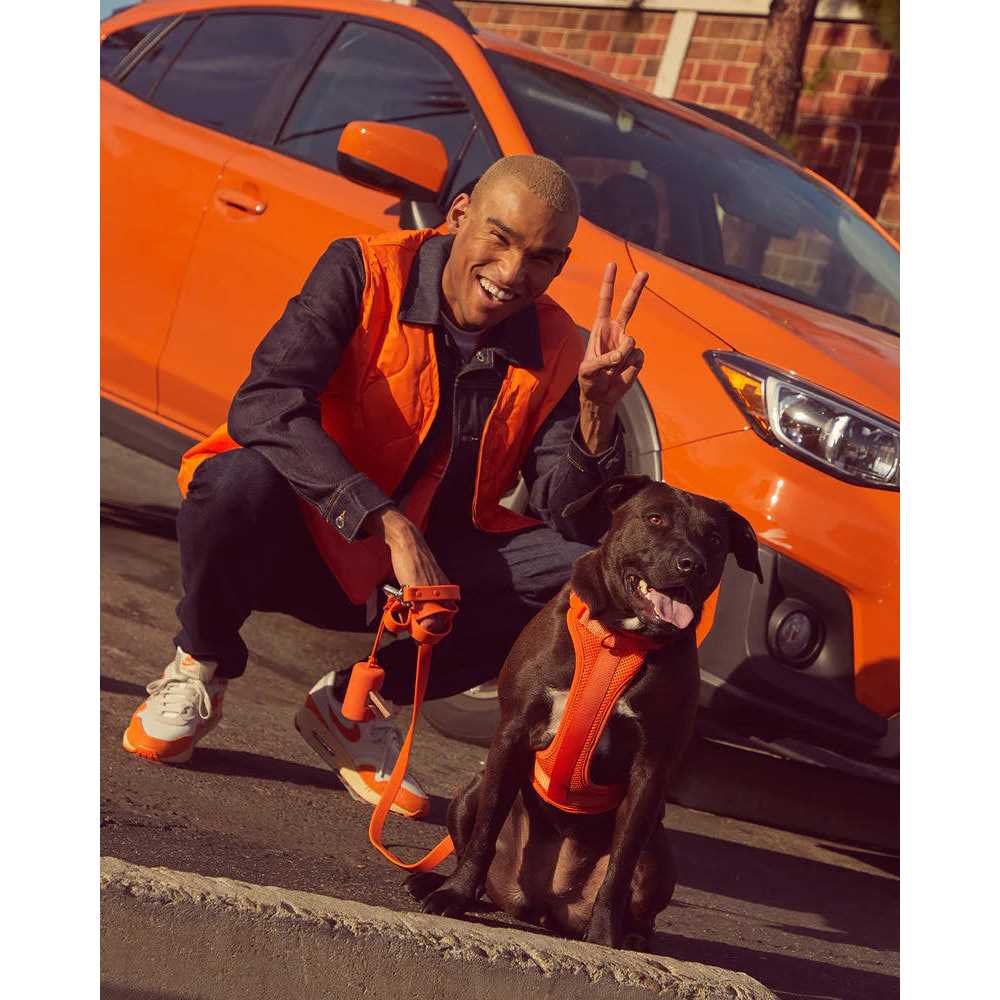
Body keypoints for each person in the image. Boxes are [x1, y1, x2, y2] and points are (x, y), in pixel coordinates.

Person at [121, 155, 648, 820]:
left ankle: (356, 705)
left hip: (425, 579)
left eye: (541, 257)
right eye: (500, 237)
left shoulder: (559, 345)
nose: (513, 272)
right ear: (459, 215)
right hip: (303, 543)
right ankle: (198, 664)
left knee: (580, 574)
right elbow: (266, 403)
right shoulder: (363, 270)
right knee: (235, 478)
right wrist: (386, 521)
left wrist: (597, 417)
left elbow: (567, 516)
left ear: (560, 264)